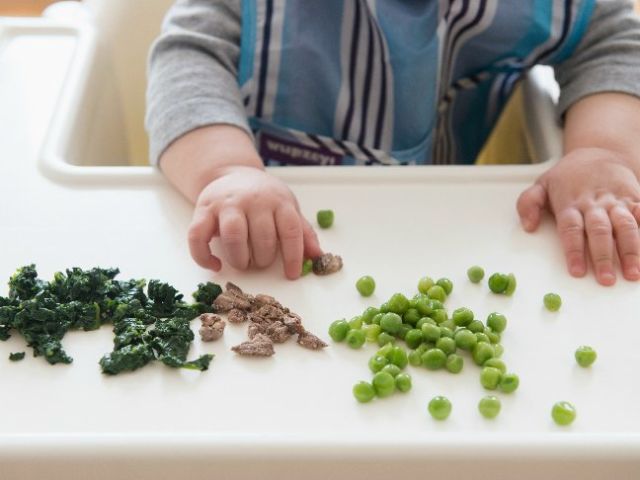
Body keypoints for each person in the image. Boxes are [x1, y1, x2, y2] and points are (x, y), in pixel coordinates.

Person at [146, 0, 640, 285]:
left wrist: (602, 151)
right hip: (264, 229)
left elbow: (611, 40)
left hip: (437, 225)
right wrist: (227, 170)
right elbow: (188, 59)